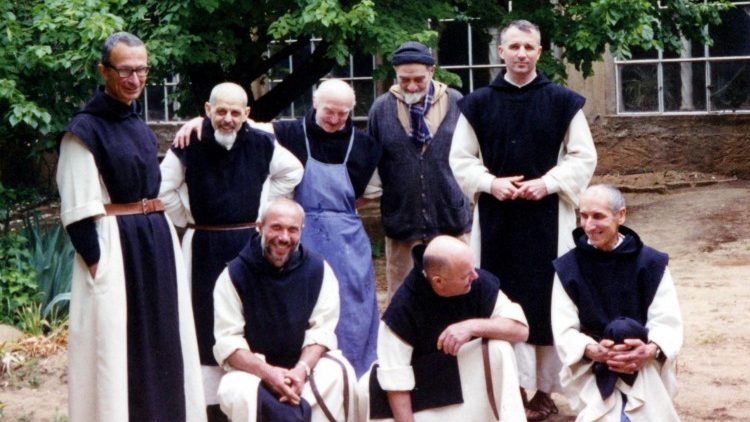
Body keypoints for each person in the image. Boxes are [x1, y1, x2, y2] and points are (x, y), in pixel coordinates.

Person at [174, 79, 382, 377]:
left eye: (343, 113)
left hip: (346, 241)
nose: (335, 119)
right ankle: (294, 376)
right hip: (298, 232)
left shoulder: (365, 146)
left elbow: (370, 193)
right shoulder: (287, 132)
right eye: (329, 111)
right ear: (314, 103)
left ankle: (351, 382)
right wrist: (199, 120)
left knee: (353, 314)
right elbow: (238, 122)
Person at [450, 19, 597, 420]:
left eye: (529, 47)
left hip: (549, 220)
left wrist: (547, 184)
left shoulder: (563, 101)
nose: (521, 54)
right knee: (501, 297)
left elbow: (584, 156)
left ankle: (544, 392)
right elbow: (460, 159)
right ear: (501, 51)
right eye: (513, 46)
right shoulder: (478, 103)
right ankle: (509, 386)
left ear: (539, 51)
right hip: (497, 221)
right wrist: (490, 183)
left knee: (551, 302)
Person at [56, 32, 205, 421]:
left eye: (142, 70)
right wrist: (97, 264)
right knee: (119, 349)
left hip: (154, 244)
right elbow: (78, 207)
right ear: (104, 71)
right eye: (125, 70)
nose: (135, 79)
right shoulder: (83, 131)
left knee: (160, 343)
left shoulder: (135, 123)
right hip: (116, 251)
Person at [159, 82, 303, 417]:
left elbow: (292, 172)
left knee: (250, 316)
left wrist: (261, 210)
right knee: (204, 318)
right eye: (220, 111)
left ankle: (253, 394)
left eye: (236, 112)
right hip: (203, 244)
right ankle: (209, 406)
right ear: (207, 110)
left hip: (247, 244)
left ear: (246, 115)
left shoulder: (260, 141)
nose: (227, 119)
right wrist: (190, 216)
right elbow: (163, 189)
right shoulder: (189, 142)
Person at [212, 199, 356, 421]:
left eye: (292, 230)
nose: (284, 237)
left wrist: (301, 370)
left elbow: (322, 330)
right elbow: (228, 341)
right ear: (260, 227)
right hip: (255, 373)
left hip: (302, 370)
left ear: (301, 231)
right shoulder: (233, 275)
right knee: (236, 390)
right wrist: (269, 374)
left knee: (339, 372)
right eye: (276, 227)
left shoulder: (319, 270)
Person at [357, 235, 529, 421]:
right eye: (466, 275)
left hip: (465, 375)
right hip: (423, 388)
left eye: (472, 269)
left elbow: (520, 330)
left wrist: (472, 327)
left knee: (499, 349)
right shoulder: (403, 308)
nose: (475, 276)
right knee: (366, 390)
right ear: (439, 281)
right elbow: (396, 380)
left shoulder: (476, 281)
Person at [551, 184, 683, 421]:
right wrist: (594, 350)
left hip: (643, 363)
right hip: (592, 363)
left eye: (598, 216)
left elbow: (666, 320)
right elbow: (564, 329)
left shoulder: (651, 263)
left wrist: (649, 350)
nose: (589, 225)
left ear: (620, 215)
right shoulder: (567, 268)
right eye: (583, 216)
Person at [367, 41, 472, 303]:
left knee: (458, 297)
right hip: (403, 221)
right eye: (404, 80)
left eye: (418, 79)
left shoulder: (457, 102)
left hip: (450, 217)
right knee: (403, 301)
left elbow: (473, 157)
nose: (411, 86)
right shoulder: (381, 109)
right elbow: (370, 163)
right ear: (395, 74)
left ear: (432, 72)